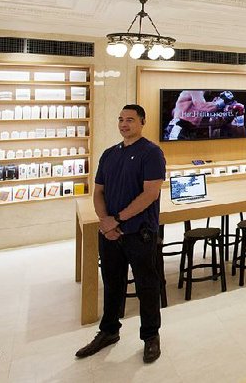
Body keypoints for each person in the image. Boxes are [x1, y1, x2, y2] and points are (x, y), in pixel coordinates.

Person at [76, 104, 167, 363]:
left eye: (130, 119)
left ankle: (151, 336)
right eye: (120, 119)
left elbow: (150, 194)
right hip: (111, 234)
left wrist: (116, 220)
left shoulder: (151, 153)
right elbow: (98, 192)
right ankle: (108, 331)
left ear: (142, 122)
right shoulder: (109, 154)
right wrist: (105, 222)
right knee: (112, 284)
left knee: (146, 285)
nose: (124, 124)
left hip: (139, 233)